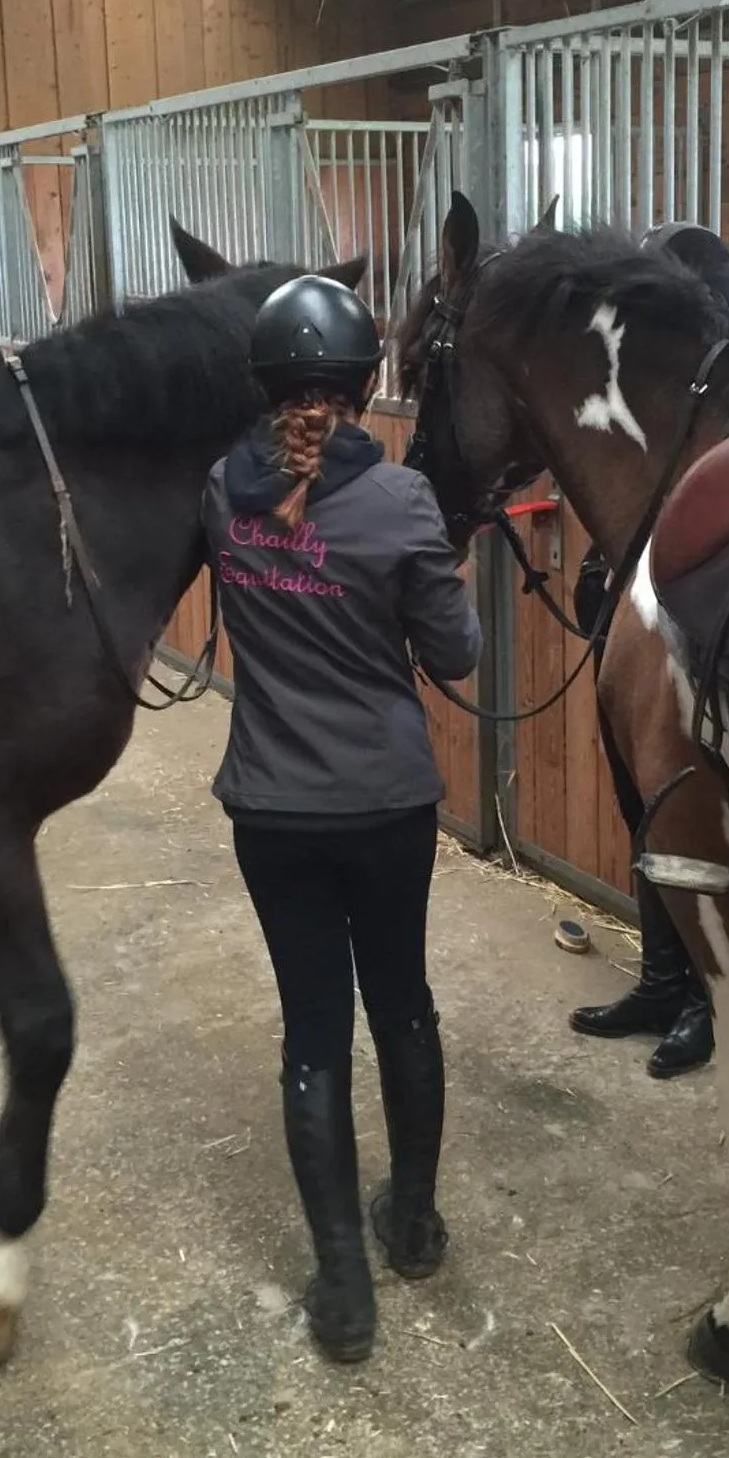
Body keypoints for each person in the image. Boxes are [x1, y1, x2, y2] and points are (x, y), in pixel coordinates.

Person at [203, 273, 482, 1363]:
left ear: (264, 384)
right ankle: (411, 1224)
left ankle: (343, 1285)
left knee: (312, 1032)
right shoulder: (404, 501)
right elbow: (456, 653)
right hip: (386, 805)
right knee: (402, 1004)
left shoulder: (219, 492)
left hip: (273, 807)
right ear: (367, 383)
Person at [568, 543, 713, 1077]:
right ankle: (661, 986)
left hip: (679, 675)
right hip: (625, 671)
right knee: (645, 825)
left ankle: (706, 1002)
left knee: (688, 833)